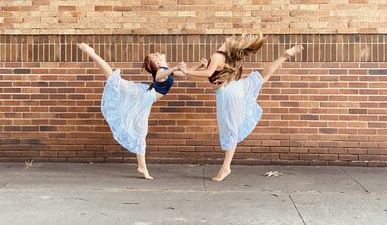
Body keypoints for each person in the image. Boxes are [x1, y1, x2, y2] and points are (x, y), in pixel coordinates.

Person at [180, 32, 304, 181]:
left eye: (233, 39)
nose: (230, 38)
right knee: (263, 77)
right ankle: (284, 56)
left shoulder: (217, 56)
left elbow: (208, 73)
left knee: (230, 129)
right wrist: (195, 68)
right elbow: (208, 72)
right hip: (235, 88)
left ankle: (226, 167)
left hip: (228, 95)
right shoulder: (223, 57)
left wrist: (188, 71)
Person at [78, 43, 204, 180]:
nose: (157, 52)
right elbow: (158, 77)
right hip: (144, 95)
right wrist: (174, 67)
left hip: (146, 97)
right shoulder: (161, 72)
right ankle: (91, 53)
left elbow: (183, 74)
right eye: (155, 55)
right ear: (156, 63)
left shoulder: (166, 70)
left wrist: (198, 66)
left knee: (140, 129)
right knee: (114, 80)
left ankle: (142, 166)